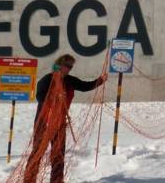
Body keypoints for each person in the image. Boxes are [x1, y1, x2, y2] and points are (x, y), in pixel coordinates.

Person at [23, 54, 107, 183]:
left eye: (71, 66)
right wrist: (55, 96)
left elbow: (85, 86)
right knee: (38, 152)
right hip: (44, 122)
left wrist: (100, 80)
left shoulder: (69, 80)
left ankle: (57, 180)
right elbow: (40, 96)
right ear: (59, 65)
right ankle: (29, 180)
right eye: (67, 66)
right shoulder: (47, 79)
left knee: (58, 154)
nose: (69, 69)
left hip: (59, 123)